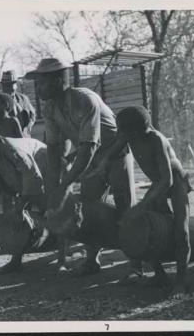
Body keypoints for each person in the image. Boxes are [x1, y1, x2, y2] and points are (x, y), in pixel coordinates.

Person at [25, 58, 136, 276]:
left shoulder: (85, 100)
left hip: (115, 155)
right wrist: (56, 184)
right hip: (90, 160)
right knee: (89, 209)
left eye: (43, 84)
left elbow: (88, 148)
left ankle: (136, 264)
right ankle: (92, 261)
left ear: (58, 81)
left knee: (126, 209)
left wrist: (66, 184)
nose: (38, 89)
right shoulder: (50, 108)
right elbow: (55, 148)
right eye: (37, 84)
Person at [85, 106, 192, 297]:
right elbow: (111, 152)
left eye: (125, 132)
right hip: (158, 183)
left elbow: (167, 180)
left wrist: (143, 205)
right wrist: (100, 166)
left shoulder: (156, 140)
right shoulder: (127, 135)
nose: (121, 135)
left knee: (181, 233)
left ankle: (181, 283)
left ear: (137, 130)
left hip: (176, 182)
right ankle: (160, 275)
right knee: (145, 229)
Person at [0, 117, 67, 272]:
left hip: (45, 166)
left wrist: (20, 207)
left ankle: (62, 260)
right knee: (15, 216)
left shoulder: (12, 149)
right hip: (26, 177)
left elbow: (33, 179)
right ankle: (16, 260)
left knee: (53, 212)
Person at [1, 70, 37, 137]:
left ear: (15, 85)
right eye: (5, 85)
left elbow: (32, 115)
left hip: (23, 137)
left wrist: (28, 127)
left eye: (10, 84)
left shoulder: (23, 99)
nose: (8, 87)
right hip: (7, 139)